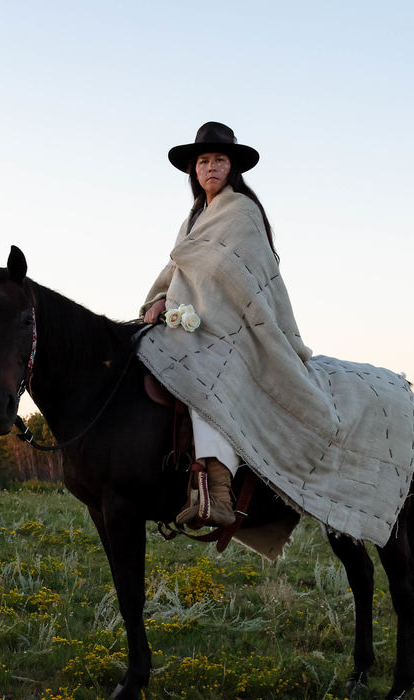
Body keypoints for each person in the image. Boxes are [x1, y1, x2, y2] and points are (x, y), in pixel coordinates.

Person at [141, 121, 304, 527]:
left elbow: (238, 278)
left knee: (205, 374)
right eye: (203, 161)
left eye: (219, 160)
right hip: (190, 322)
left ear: (232, 167)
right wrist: (161, 298)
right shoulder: (194, 219)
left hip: (234, 328)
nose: (210, 167)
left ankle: (216, 487)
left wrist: (201, 310)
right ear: (194, 171)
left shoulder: (244, 213)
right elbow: (180, 269)